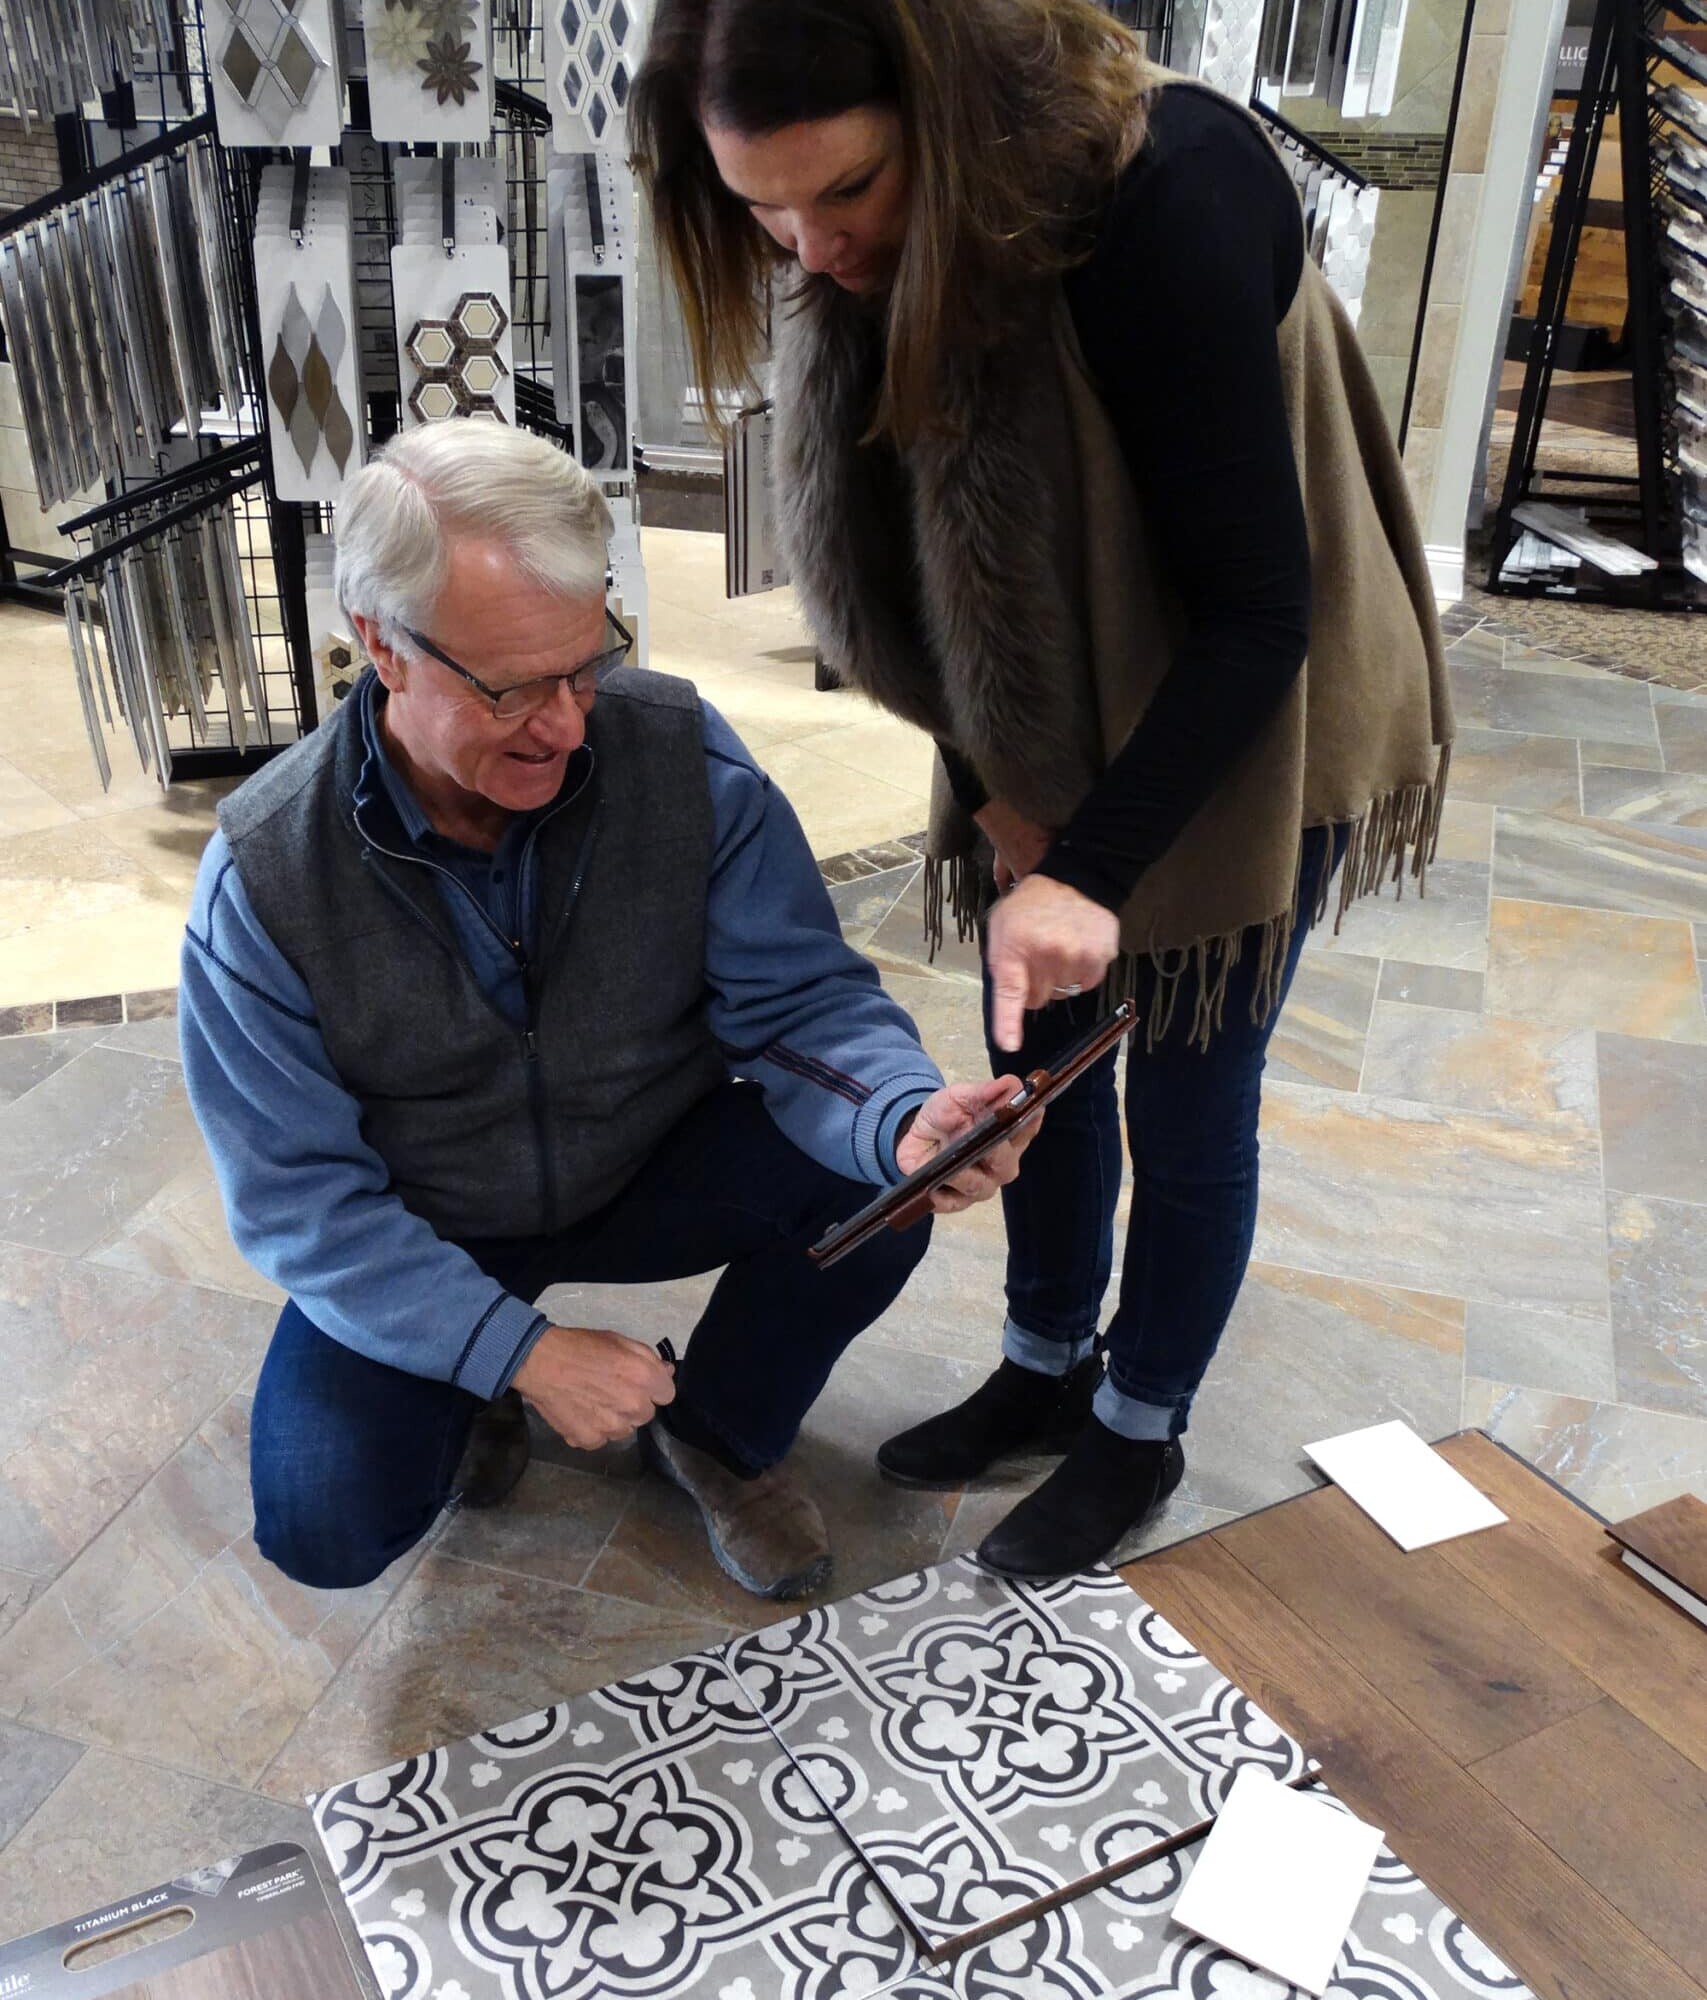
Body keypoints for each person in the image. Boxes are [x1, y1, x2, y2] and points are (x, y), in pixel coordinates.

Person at [632, 0, 1453, 1577]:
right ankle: (1040, 1365)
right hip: (1051, 713)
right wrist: (1000, 796)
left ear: (935, 119)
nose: (809, 248)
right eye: (759, 211)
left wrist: (1090, 870)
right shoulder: (858, 246)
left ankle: (1136, 1435)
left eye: (848, 193)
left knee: (1189, 1098)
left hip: (1244, 712)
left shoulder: (1169, 191)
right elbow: (896, 573)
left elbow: (1256, 615)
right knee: (1039, 1069)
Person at [178, 422, 1038, 1603]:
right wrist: (514, 1350)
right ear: (379, 642)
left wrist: (899, 1115)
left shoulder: (674, 755)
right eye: (513, 686)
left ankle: (717, 1429)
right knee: (326, 1519)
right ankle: (476, 1382)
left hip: (647, 1156)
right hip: (430, 1215)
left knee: (874, 1184)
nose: (568, 724)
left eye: (586, 664)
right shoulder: (268, 875)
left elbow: (801, 998)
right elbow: (299, 1202)